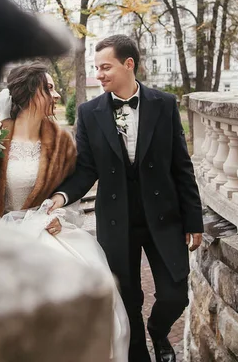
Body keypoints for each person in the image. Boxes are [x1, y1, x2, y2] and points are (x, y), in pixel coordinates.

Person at [49, 35, 203, 362]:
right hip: (116, 221)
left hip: (164, 216)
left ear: (128, 64)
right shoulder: (89, 113)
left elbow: (181, 165)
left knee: (176, 295)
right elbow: (87, 168)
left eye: (105, 67)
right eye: (96, 68)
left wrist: (194, 220)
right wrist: (61, 196)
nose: (99, 74)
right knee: (127, 299)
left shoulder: (164, 104)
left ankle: (159, 333)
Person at [0, 62, 130, 361]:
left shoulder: (62, 142)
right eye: (49, 88)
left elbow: (72, 194)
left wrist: (59, 216)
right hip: (1, 237)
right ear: (29, 93)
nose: (56, 95)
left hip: (49, 232)